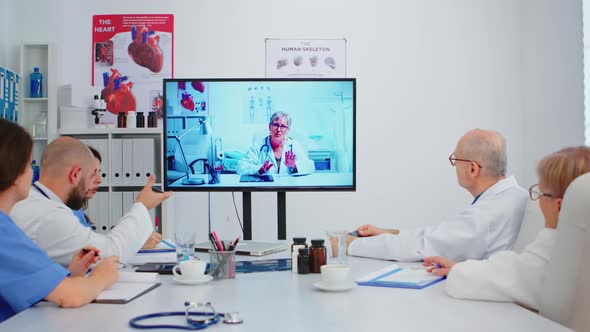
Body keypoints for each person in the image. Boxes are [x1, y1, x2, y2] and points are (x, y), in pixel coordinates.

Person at [424, 146, 590, 310]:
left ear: (559, 206)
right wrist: (458, 267)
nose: (538, 201)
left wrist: (457, 271)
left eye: (539, 193)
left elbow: (509, 275)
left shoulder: (554, 251)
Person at [346, 129, 528, 261]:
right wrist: (386, 233)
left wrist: (349, 244)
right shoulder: (512, 197)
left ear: (472, 168)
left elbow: (424, 246)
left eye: (455, 160)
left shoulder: (488, 213)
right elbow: (438, 235)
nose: (454, 166)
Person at [0, 119, 118, 322]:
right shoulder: (4, 234)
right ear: (14, 174)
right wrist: (102, 276)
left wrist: (69, 274)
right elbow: (70, 296)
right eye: (29, 165)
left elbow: (28, 283)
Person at [10, 136, 172, 266]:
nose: (97, 181)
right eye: (92, 174)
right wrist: (142, 205)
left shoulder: (40, 202)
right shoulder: (49, 216)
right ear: (75, 175)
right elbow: (110, 253)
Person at [74, 146, 162, 249]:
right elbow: (94, 253)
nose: (99, 180)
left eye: (99, 172)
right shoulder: (68, 214)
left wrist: (136, 243)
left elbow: (97, 248)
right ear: (75, 174)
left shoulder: (77, 211)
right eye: (93, 173)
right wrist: (136, 244)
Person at [237, 112, 315, 176]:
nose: (279, 130)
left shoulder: (293, 145)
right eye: (276, 125)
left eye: (283, 126)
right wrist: (259, 169)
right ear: (269, 127)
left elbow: (310, 166)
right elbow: (241, 167)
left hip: (288, 188)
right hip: (265, 189)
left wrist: (294, 166)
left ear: (288, 130)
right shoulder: (259, 145)